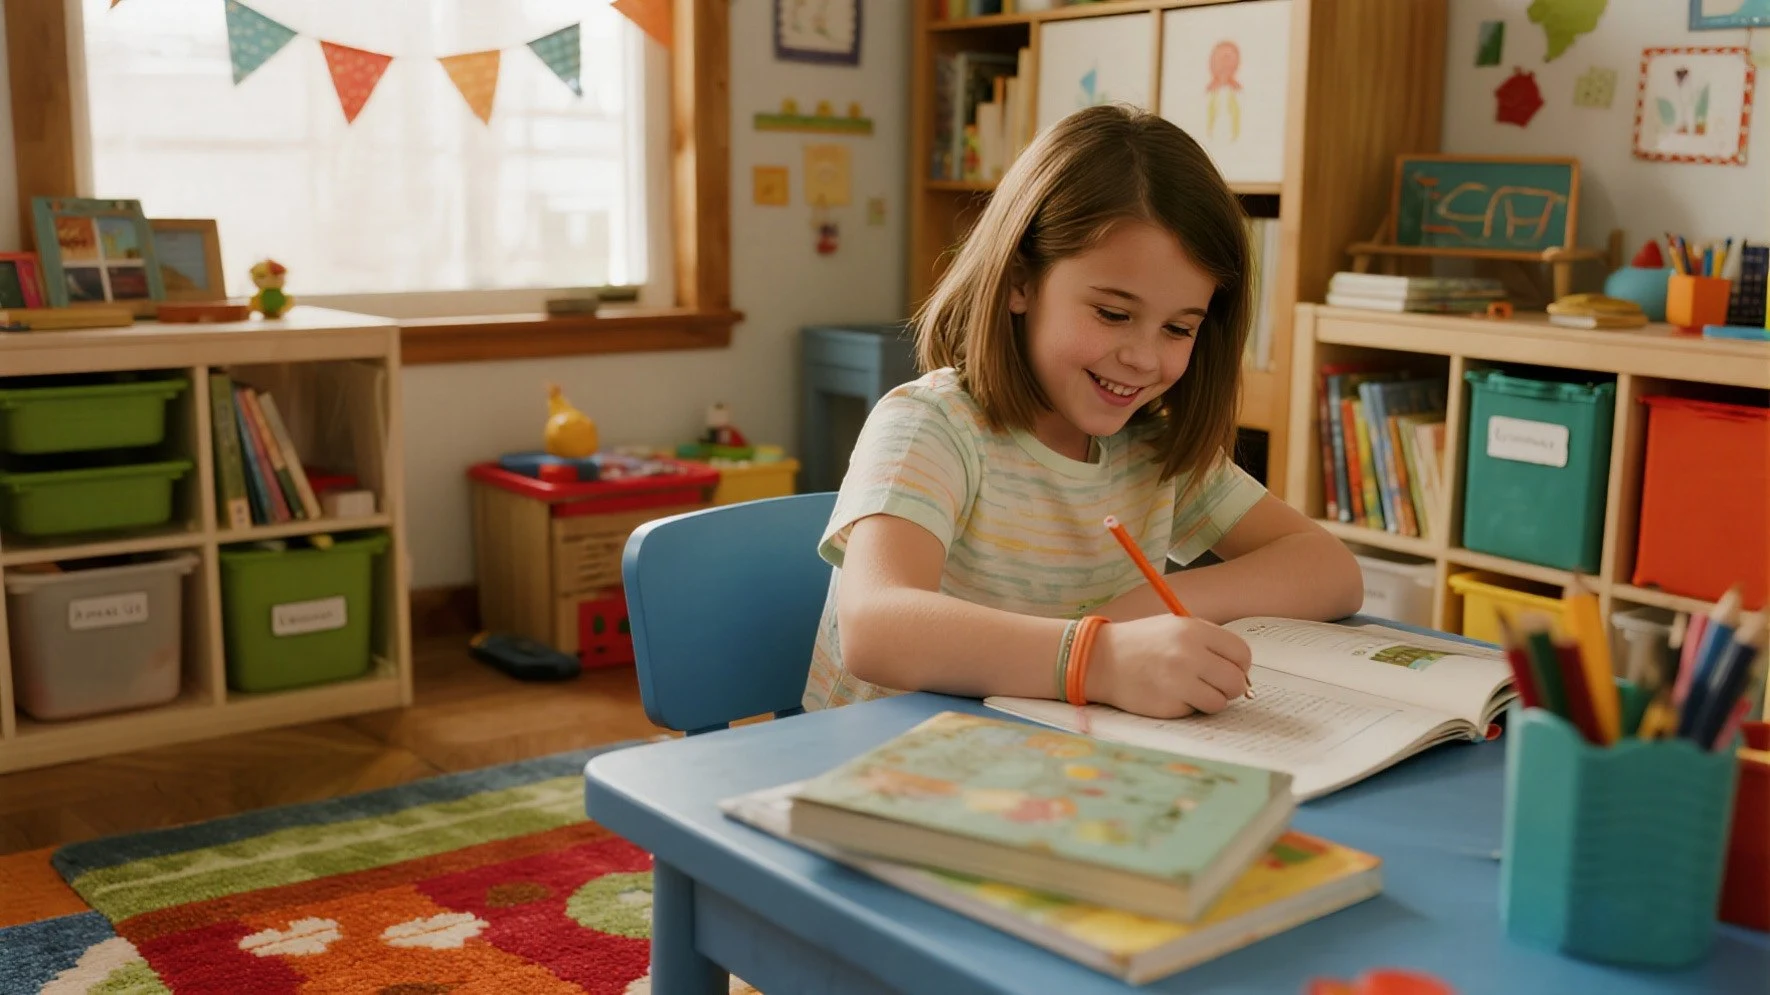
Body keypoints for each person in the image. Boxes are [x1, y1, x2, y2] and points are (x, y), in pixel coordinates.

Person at [802, 104, 1362, 720]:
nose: (1144, 357)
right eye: (1113, 314)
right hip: (886, 771)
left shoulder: (1152, 448)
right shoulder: (932, 428)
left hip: (1052, 766)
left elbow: (1331, 570)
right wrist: (1100, 656)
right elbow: (875, 627)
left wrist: (1155, 604)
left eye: (1179, 328)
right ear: (1020, 282)